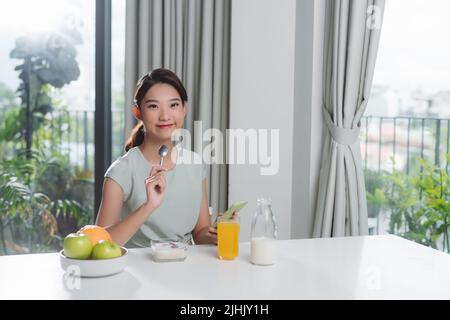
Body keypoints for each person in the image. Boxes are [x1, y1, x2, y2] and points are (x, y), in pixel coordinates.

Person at [96, 68, 218, 247]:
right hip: (136, 271)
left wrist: (216, 234)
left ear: (184, 108)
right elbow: (100, 243)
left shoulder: (195, 164)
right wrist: (149, 206)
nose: (165, 116)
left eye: (173, 105)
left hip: (186, 269)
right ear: (138, 112)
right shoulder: (121, 171)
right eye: (153, 106)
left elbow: (200, 233)